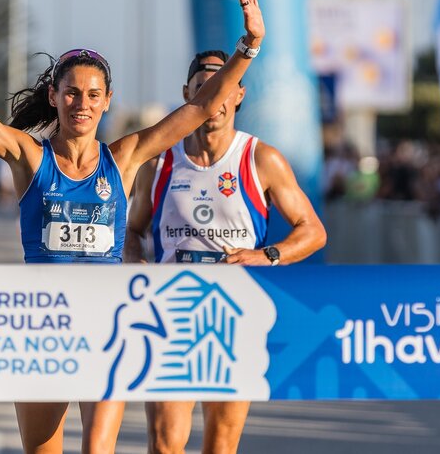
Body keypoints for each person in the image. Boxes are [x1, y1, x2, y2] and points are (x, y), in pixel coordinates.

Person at [0, 0, 265, 454]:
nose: (81, 103)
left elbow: (201, 105)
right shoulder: (28, 157)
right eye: (71, 93)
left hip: (107, 323)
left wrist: (249, 45)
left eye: (92, 95)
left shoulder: (124, 159)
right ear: (53, 96)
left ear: (107, 102)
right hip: (42, 326)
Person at [123, 49, 327, 454]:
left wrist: (267, 254)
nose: (214, 99)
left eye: (224, 89)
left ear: (239, 95)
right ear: (187, 94)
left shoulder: (261, 159)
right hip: (171, 312)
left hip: (232, 314)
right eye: (204, 89)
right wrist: (136, 265)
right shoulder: (161, 161)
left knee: (220, 446)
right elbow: (132, 230)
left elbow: (313, 231)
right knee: (164, 444)